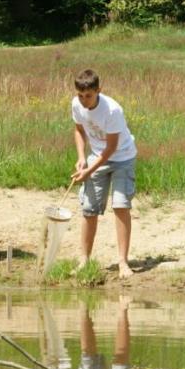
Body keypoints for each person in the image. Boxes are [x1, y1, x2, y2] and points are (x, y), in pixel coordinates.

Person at [70, 69, 138, 278]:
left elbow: (111, 148)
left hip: (122, 158)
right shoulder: (76, 104)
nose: (83, 100)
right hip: (97, 156)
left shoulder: (112, 111)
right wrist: (82, 157)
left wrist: (89, 170)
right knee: (89, 209)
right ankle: (84, 260)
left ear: (99, 90)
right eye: (80, 95)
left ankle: (123, 263)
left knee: (120, 206)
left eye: (88, 95)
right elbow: (79, 130)